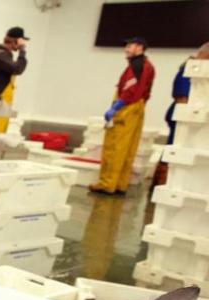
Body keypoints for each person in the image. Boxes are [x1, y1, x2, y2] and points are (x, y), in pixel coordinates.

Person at [88, 37, 156, 196]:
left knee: (115, 146)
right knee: (128, 148)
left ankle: (107, 183)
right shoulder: (148, 65)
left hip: (126, 108)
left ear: (140, 47)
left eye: (130, 45)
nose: (126, 48)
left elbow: (130, 89)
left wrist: (117, 106)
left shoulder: (137, 65)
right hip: (137, 108)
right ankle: (120, 183)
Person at [151, 41, 209, 191]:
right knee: (174, 147)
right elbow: (182, 99)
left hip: (194, 118)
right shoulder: (188, 70)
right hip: (181, 116)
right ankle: (161, 182)